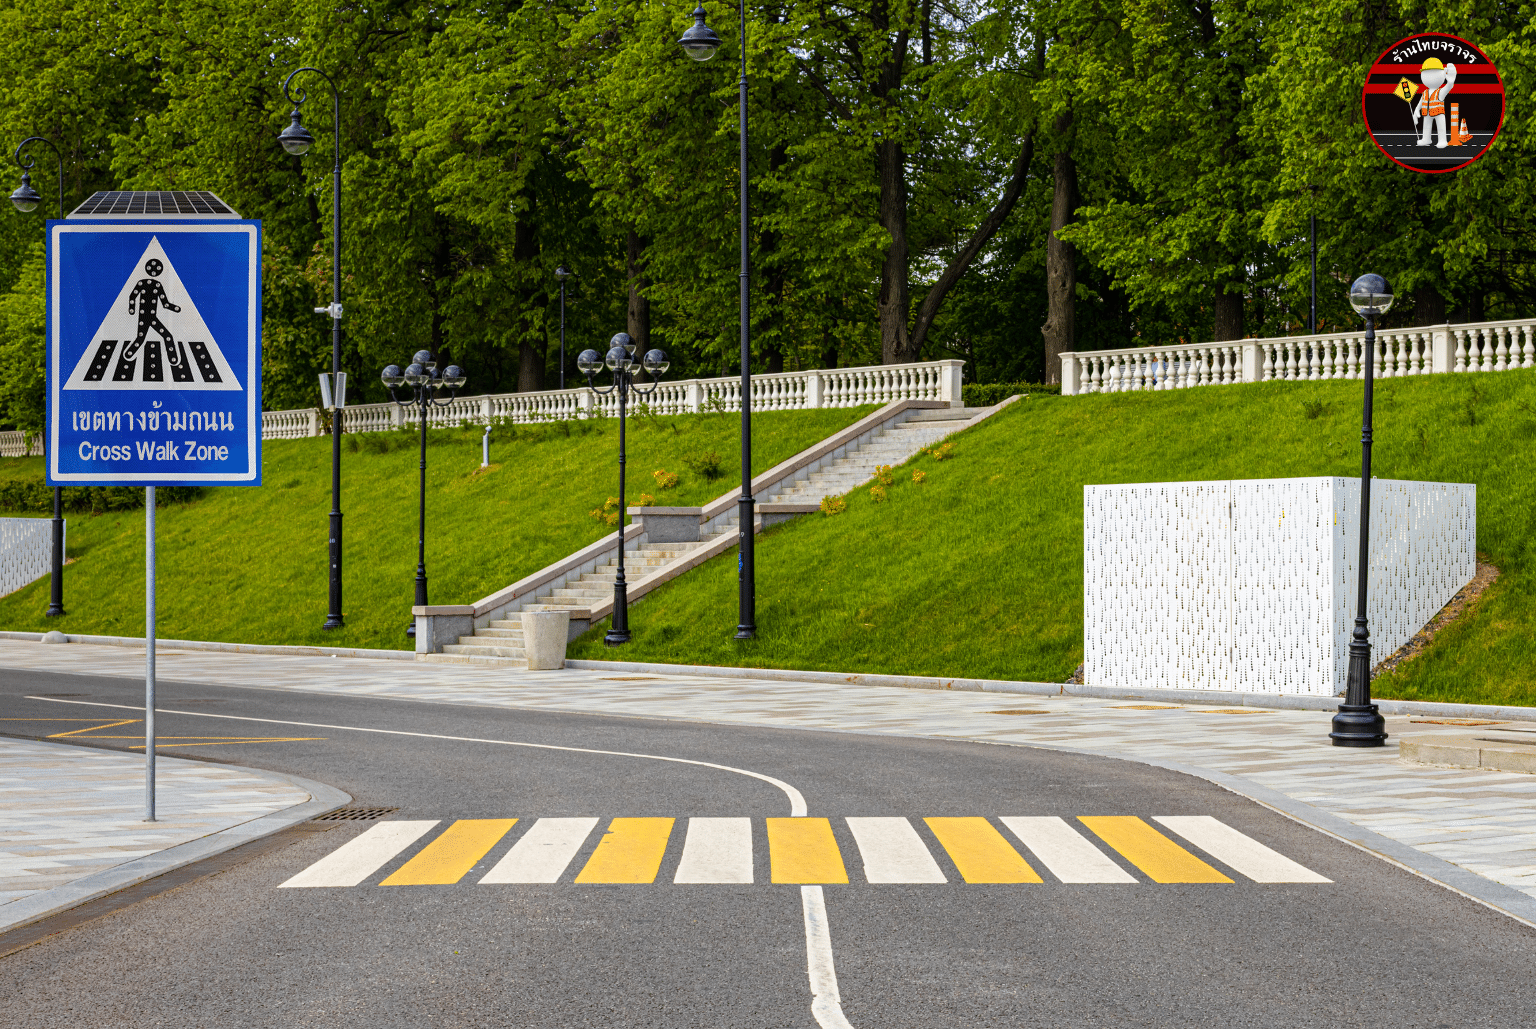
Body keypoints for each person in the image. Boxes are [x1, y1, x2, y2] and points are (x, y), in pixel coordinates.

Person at [121, 258, 184, 368]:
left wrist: (176, 308)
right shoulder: (150, 284)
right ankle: (127, 356)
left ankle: (128, 355)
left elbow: (165, 303)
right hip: (145, 317)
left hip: (150, 317)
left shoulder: (154, 284)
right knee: (160, 336)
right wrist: (132, 309)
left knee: (145, 338)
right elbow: (133, 296)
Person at [1413, 58, 1457, 149]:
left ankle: (1442, 140)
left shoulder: (1440, 92)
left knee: (1441, 127)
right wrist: (1417, 109)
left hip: (1438, 113)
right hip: (1427, 113)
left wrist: (1450, 82)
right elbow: (1421, 102)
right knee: (1426, 127)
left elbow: (1448, 88)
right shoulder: (1425, 92)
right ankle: (1426, 139)